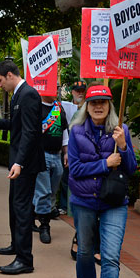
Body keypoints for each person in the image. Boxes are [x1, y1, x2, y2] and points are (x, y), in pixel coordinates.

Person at [67, 84, 137, 278]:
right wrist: (103, 163)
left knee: (109, 258)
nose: (98, 106)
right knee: (85, 251)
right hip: (84, 201)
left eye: (103, 102)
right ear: (87, 106)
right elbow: (74, 169)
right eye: (94, 102)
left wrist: (124, 146)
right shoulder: (76, 133)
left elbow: (131, 168)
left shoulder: (121, 131)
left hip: (113, 203)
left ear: (110, 106)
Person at [0, 60, 43, 275]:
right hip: (18, 162)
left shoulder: (28, 95)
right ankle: (17, 246)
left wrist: (19, 162)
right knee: (14, 207)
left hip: (24, 163)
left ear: (9, 75)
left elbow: (29, 132)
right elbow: (18, 126)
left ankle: (25, 259)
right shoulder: (19, 94)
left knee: (22, 209)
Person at [32, 94, 68, 244]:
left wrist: (66, 152)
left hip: (57, 155)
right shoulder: (35, 106)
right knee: (44, 191)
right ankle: (45, 226)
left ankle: (34, 213)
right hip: (42, 155)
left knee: (52, 191)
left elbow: (64, 130)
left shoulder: (58, 108)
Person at [59, 80, 87, 214]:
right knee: (65, 176)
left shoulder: (88, 107)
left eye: (82, 91)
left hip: (83, 146)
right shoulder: (64, 106)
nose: (80, 93)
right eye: (77, 91)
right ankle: (64, 205)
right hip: (68, 143)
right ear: (72, 92)